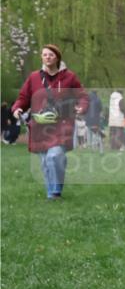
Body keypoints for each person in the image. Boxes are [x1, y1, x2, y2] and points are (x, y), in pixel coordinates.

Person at [11, 44, 89, 199]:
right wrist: (17, 108)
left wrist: (81, 107)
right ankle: (51, 193)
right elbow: (23, 98)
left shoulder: (70, 77)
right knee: (46, 161)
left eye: (51, 55)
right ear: (41, 57)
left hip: (62, 124)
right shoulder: (34, 77)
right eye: (45, 54)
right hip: (39, 125)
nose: (47, 57)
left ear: (57, 57)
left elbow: (83, 96)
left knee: (55, 155)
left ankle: (55, 192)